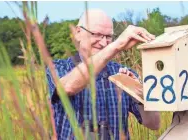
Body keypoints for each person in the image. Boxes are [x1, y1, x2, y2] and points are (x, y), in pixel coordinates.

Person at [46, 9, 160, 140]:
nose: (104, 43)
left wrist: (139, 93)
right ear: (78, 33)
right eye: (97, 34)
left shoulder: (122, 73)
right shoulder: (58, 68)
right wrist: (117, 46)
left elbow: (154, 123)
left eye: (109, 37)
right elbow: (68, 87)